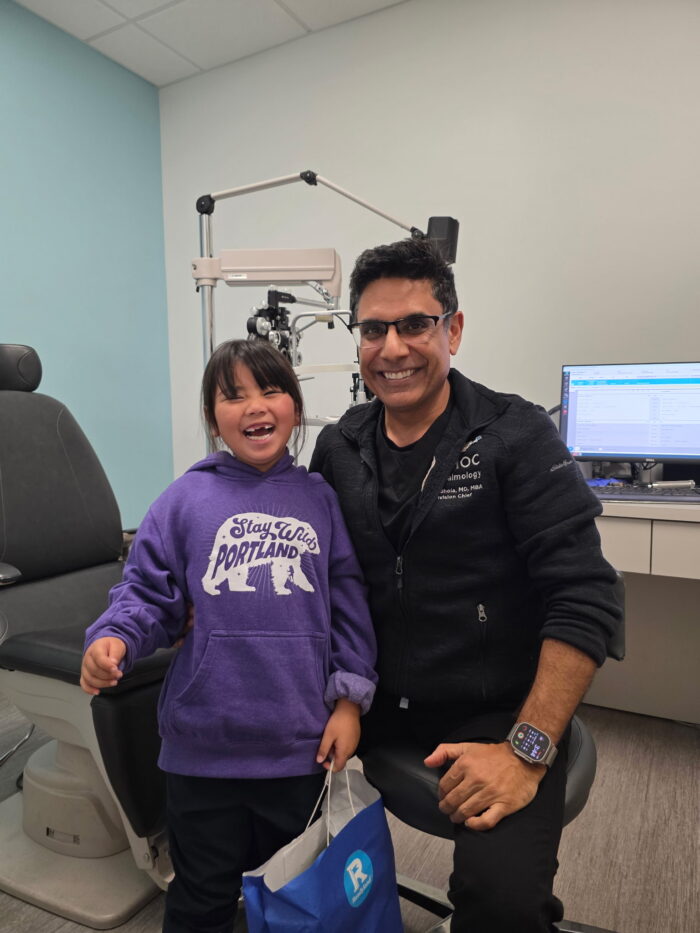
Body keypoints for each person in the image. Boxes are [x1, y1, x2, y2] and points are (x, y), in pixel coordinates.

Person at [309, 237, 621, 932]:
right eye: (373, 329)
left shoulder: (515, 437)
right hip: (372, 693)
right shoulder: (339, 444)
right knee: (241, 786)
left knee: (503, 906)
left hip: (494, 709)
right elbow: (307, 566)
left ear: (452, 328)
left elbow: (588, 598)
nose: (392, 348)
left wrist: (526, 749)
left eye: (414, 324)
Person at [80, 339, 377, 933]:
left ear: (293, 405)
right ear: (213, 418)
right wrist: (114, 637)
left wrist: (349, 698)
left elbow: (347, 601)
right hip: (203, 752)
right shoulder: (185, 500)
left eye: (269, 389)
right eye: (232, 395)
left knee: (297, 890)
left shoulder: (319, 500)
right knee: (200, 894)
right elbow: (145, 593)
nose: (253, 406)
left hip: (298, 746)